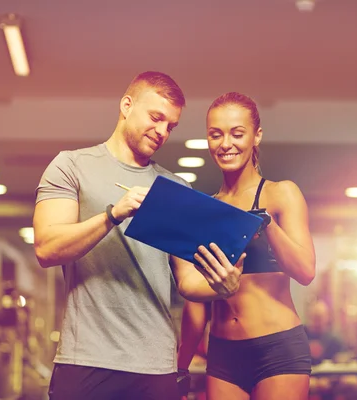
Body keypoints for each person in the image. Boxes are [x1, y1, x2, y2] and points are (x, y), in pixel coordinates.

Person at [33, 72, 246, 400]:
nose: (162, 132)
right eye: (156, 117)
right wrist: (112, 215)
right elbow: (47, 248)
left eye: (170, 126)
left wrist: (223, 287)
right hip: (87, 358)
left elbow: (187, 282)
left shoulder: (174, 188)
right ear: (127, 105)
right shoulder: (71, 166)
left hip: (155, 365)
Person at [177, 92, 316, 399]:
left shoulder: (282, 194)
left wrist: (266, 225)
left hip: (278, 348)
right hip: (223, 353)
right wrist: (180, 367)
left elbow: (305, 271)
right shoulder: (205, 210)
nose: (226, 144)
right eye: (216, 135)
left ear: (256, 136)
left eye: (237, 133)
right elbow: (196, 302)